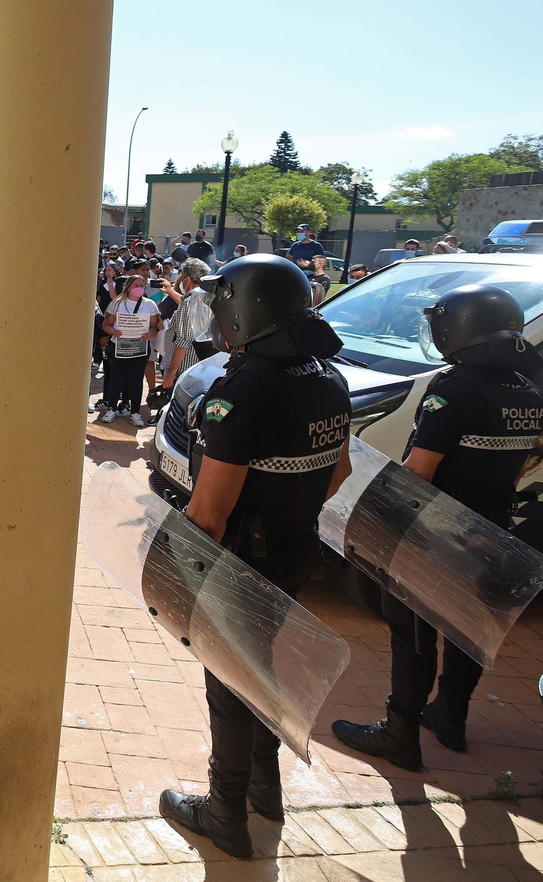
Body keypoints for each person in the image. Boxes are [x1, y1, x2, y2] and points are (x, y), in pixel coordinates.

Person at [159, 254, 352, 860]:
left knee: (230, 682)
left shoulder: (243, 389)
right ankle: (267, 792)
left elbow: (209, 513)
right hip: (296, 551)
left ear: (245, 311)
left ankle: (224, 812)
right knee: (264, 670)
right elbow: (338, 472)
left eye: (222, 304)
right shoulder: (328, 377)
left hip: (242, 559)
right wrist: (286, 511)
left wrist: (181, 582)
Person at [331, 285, 543, 769]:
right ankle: (450, 715)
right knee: (468, 629)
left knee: (413, 634)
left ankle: (399, 731)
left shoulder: (454, 389)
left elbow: (419, 471)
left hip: (434, 533)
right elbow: (517, 470)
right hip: (490, 528)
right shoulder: (529, 392)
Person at [100, 260, 162, 427]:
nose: (140, 287)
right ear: (128, 287)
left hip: (139, 349)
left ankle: (135, 412)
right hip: (119, 348)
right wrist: (113, 332)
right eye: (136, 285)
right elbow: (106, 324)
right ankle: (111, 409)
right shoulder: (117, 304)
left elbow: (155, 326)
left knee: (135, 380)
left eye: (142, 285)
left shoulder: (150, 305)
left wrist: (150, 333)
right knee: (116, 379)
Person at [161, 258, 213, 390]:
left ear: (187, 279)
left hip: (185, 369)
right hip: (202, 365)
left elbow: (183, 341)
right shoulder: (207, 295)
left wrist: (171, 374)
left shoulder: (190, 300)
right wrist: (171, 291)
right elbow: (186, 303)